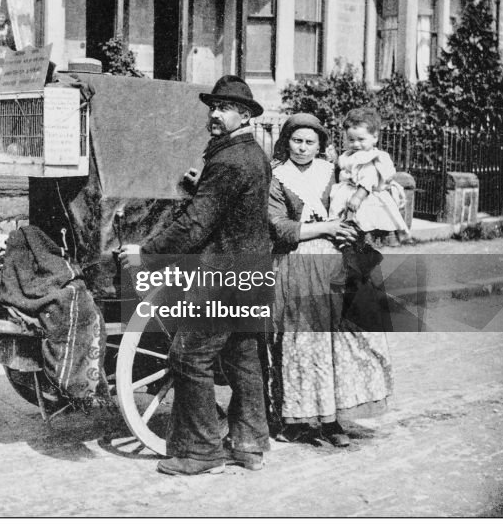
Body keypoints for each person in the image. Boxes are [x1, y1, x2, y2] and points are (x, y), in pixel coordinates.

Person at [118, 75, 272, 476]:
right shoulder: (251, 153)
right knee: (242, 359)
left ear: (244, 115)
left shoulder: (229, 159)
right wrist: (200, 184)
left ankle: (202, 453)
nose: (215, 115)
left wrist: (145, 252)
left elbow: (195, 226)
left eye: (225, 109)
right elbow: (228, 208)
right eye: (213, 107)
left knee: (188, 356)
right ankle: (250, 445)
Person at [267, 113, 393, 448]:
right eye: (297, 141)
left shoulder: (332, 169)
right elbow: (279, 227)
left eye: (310, 142)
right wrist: (325, 227)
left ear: (321, 144)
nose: (303, 148)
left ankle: (334, 420)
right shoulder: (277, 176)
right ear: (287, 142)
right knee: (302, 344)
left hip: (336, 262)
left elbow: (361, 190)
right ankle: (300, 421)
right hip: (298, 263)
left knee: (339, 343)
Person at [328, 107, 410, 245]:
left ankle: (368, 240)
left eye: (361, 139)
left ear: (375, 138)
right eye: (351, 140)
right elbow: (345, 168)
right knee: (343, 212)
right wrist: (335, 160)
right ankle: (344, 235)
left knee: (366, 217)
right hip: (350, 190)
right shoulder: (351, 155)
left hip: (366, 193)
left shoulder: (370, 157)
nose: (356, 144)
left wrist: (358, 197)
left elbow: (369, 178)